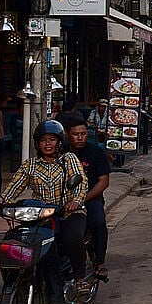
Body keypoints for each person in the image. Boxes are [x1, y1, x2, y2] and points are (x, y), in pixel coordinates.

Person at [0, 119, 89, 304]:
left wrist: (75, 201)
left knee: (72, 238)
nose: (47, 144)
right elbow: (15, 185)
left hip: (68, 213)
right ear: (37, 143)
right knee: (25, 242)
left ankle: (78, 279)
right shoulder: (31, 165)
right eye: (43, 140)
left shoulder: (68, 159)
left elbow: (80, 181)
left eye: (52, 140)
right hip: (40, 215)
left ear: (59, 142)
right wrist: (0, 202)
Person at [64, 116, 109, 281]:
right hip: (63, 201)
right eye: (76, 134)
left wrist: (82, 199)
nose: (80, 137)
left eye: (83, 134)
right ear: (68, 134)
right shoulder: (62, 153)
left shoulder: (96, 152)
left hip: (90, 199)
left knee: (97, 222)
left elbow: (104, 181)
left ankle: (99, 262)